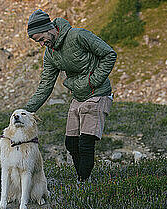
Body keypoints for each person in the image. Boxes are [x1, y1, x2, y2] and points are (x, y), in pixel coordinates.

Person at [24, 9, 117, 182]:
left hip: (97, 94)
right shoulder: (50, 53)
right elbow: (46, 85)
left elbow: (109, 54)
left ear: (48, 28)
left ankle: (83, 182)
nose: (42, 44)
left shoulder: (78, 36)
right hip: (78, 96)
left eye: (41, 39)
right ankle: (83, 179)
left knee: (86, 143)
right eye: (38, 42)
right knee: (71, 143)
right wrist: (24, 111)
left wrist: (92, 81)